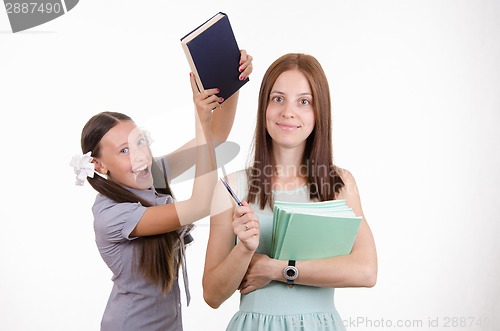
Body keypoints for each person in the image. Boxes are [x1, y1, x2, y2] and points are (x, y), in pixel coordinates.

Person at [70, 51, 253, 331]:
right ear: (99, 165)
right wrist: (200, 119)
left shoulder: (148, 175)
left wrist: (231, 80)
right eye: (123, 151)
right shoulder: (112, 214)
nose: (140, 157)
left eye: (140, 142)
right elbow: (200, 204)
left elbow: (215, 137)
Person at [203, 53, 377, 331]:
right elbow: (212, 295)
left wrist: (278, 269)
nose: (288, 112)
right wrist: (245, 250)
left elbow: (366, 271)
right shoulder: (232, 188)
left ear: (319, 112)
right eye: (278, 98)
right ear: (264, 107)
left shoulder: (340, 184)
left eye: (304, 101)